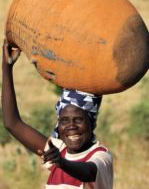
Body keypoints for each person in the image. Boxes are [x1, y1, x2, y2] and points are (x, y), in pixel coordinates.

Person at [1, 40, 113, 189]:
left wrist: (62, 163)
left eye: (78, 119)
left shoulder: (100, 156)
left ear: (92, 123)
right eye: (64, 120)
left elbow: (89, 173)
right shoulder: (59, 150)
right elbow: (12, 124)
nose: (71, 126)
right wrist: (6, 67)